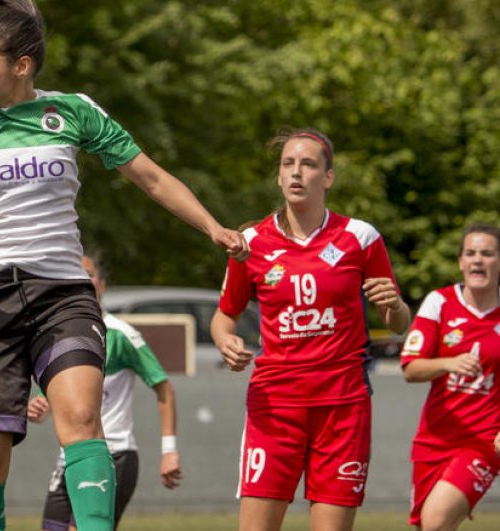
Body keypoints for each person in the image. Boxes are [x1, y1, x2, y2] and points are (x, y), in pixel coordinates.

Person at [0, 0, 246, 531]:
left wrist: (210, 226)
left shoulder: (73, 111)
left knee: (83, 419)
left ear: (22, 66)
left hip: (62, 292)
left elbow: (152, 178)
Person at [212, 128, 411, 531]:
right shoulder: (251, 243)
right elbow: (224, 315)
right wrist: (224, 340)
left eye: (308, 164)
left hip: (343, 406)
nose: (297, 173)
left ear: (329, 176)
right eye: (288, 164)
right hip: (275, 405)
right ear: (279, 177)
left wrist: (395, 305)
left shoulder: (361, 237)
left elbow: (399, 323)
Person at [33, 252, 181, 531]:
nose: (82, 280)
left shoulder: (120, 334)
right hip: (67, 458)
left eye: (88, 274)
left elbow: (164, 387)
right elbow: (69, 393)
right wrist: (42, 403)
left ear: (101, 283)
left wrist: (169, 450)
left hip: (114, 453)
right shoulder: (55, 334)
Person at [401, 223, 500, 531]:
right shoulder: (440, 302)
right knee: (428, 526)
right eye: (470, 253)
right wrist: (448, 363)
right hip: (433, 440)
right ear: (460, 262)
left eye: (487, 254)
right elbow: (411, 368)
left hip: (483, 441)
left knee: (435, 521)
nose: (477, 260)